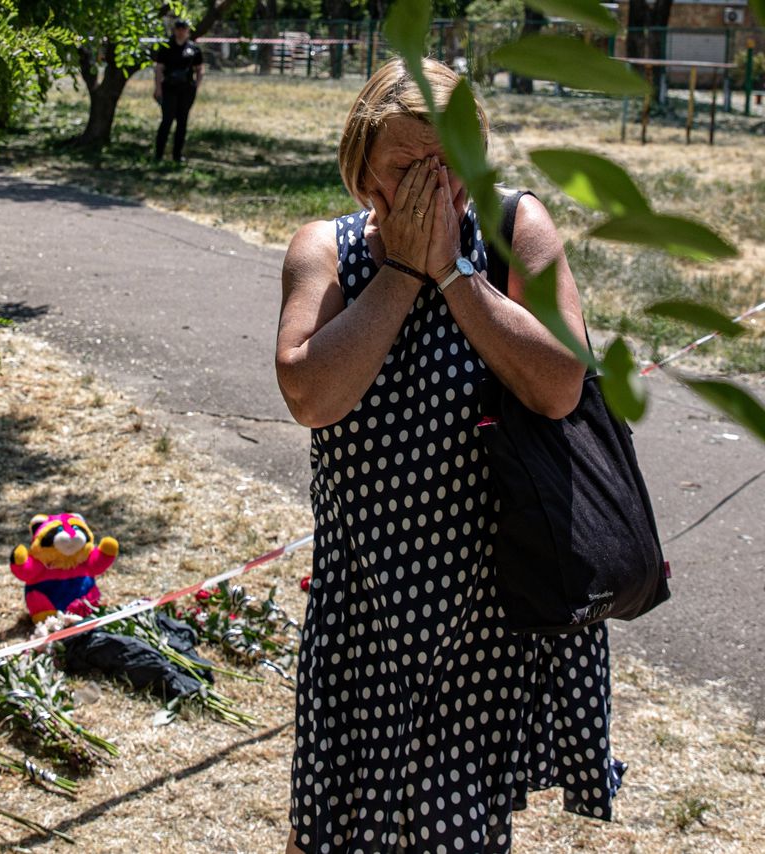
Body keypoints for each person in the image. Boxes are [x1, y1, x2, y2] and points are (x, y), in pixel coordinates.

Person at [274, 58, 623, 853]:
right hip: (366, 610)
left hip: (487, 613)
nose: (438, 184)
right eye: (409, 166)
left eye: (453, 162)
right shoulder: (323, 251)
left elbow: (560, 384)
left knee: (460, 830)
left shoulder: (514, 229)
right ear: (364, 167)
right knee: (329, 826)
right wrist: (400, 274)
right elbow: (310, 395)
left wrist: (456, 276)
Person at [152, 19, 204, 163]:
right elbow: (159, 69)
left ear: (188, 30)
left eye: (184, 28)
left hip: (186, 90)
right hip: (169, 88)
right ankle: (159, 155)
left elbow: (199, 69)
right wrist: (158, 88)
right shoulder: (166, 47)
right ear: (174, 30)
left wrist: (196, 86)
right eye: (178, 28)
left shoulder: (194, 49)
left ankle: (177, 155)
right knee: (167, 121)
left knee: (182, 122)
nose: (181, 31)